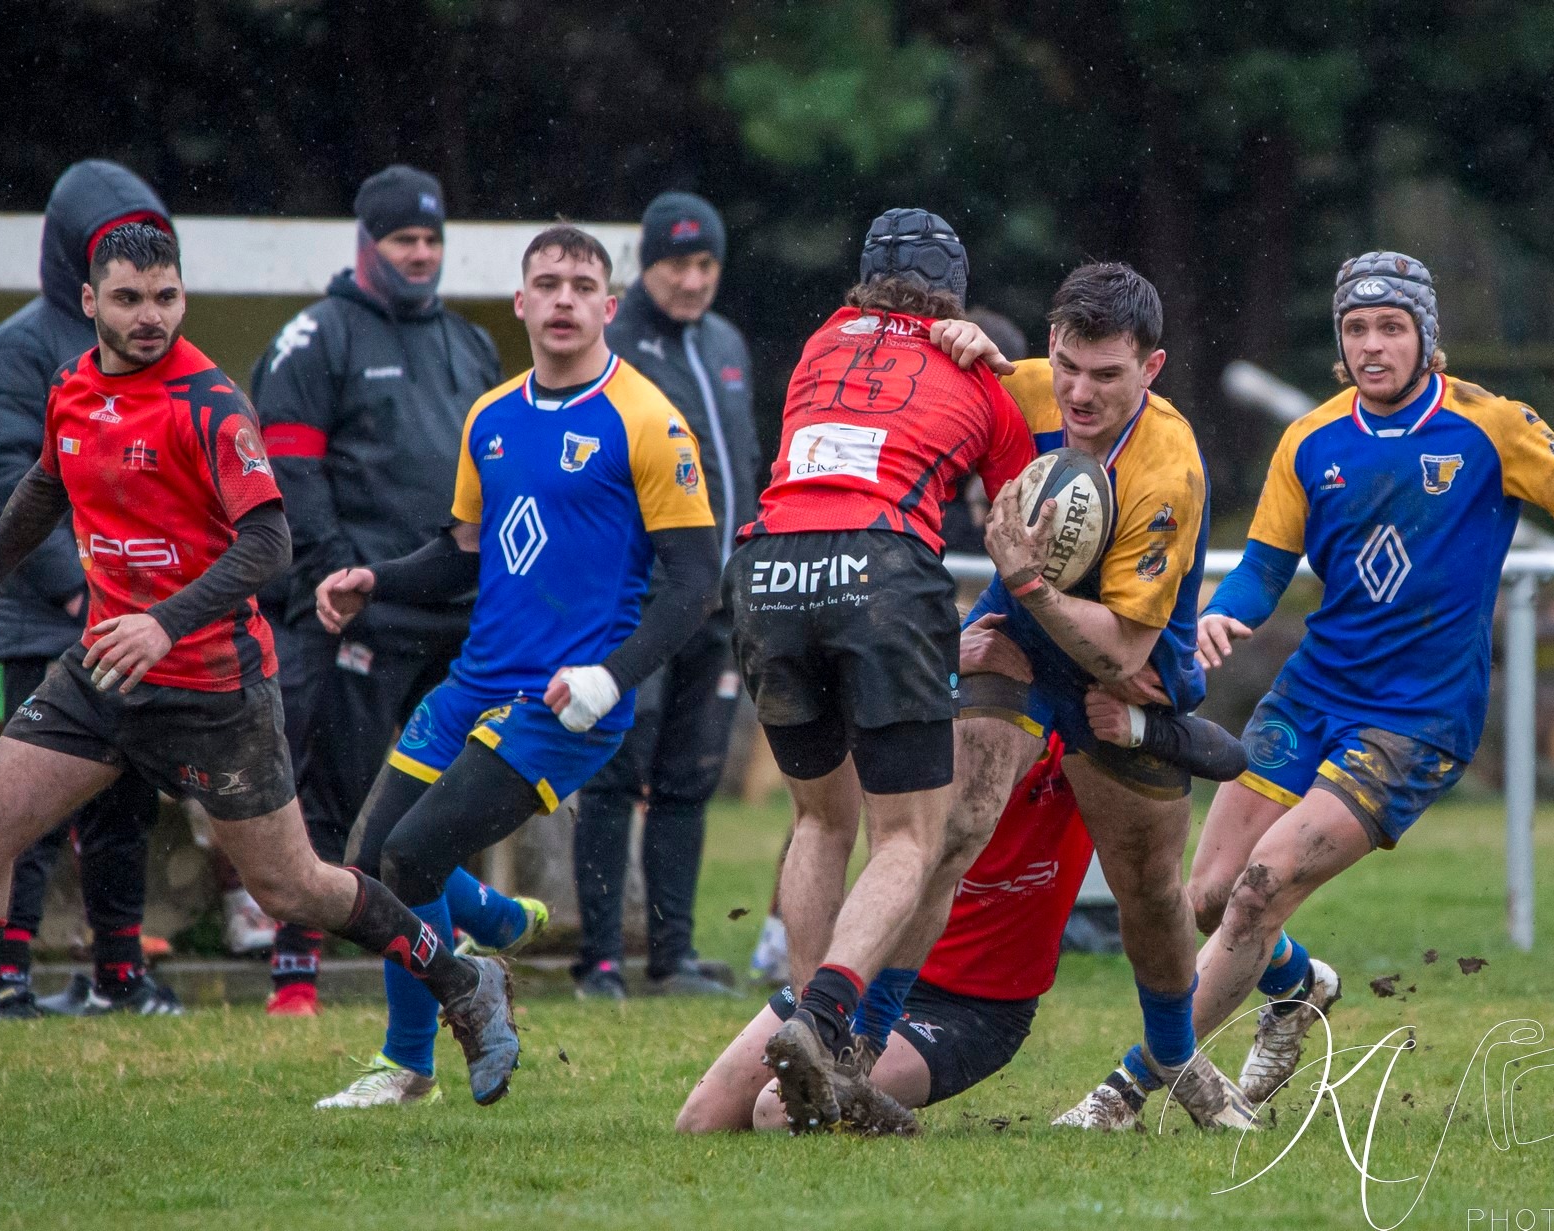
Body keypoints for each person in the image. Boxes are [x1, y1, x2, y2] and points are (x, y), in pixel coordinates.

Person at [0, 224, 517, 1131]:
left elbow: (271, 544)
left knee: (295, 888)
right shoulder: (74, 389)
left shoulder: (212, 402)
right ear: (90, 303)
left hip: (214, 688)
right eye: (130, 299)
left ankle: (463, 977)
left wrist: (162, 620)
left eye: (166, 297)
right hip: (103, 673)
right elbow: (43, 485)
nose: (150, 317)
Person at [1166, 251, 1554, 1108]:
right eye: (1357, 328)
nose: (1373, 345)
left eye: (1392, 327)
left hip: (1415, 716)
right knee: (1207, 897)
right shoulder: (1310, 439)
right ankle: (1296, 986)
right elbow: (1265, 568)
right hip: (1312, 694)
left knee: (1260, 887)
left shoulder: (1491, 425)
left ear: (1428, 338)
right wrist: (1222, 610)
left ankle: (1132, 1085)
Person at [309, 224, 721, 1109]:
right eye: (549, 283)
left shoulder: (648, 418)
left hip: (567, 702)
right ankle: (495, 929)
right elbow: (462, 552)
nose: (565, 298)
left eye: (583, 284)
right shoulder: (491, 417)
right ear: (522, 303)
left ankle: (416, 1049)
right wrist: (374, 580)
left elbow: (695, 580)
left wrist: (613, 675)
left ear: (609, 306)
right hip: (475, 680)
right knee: (371, 861)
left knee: (413, 856)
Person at [888, 263, 1254, 1134]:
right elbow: (929, 411)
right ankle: (861, 1040)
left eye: (1107, 374)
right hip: (1015, 637)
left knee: (1151, 889)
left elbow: (1125, 644)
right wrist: (964, 348)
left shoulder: (1170, 470)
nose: (1079, 394)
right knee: (952, 829)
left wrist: (1026, 584)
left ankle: (1174, 1051)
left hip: (1124, 667)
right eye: (1067, 366)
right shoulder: (1024, 386)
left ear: (1152, 367)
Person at [725, 208, 1037, 1136]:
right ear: (956, 292)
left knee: (821, 817)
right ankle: (828, 1022)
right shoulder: (976, 376)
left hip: (767, 565)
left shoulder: (821, 341)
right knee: (910, 835)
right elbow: (1023, 505)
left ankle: (812, 1045)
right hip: (880, 569)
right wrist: (999, 374)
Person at [252, 164, 519, 1018]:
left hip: (459, 611)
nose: (421, 254)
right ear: (365, 243)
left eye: (433, 241)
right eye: (404, 239)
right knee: (330, 788)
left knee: (455, 789)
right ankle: (294, 967)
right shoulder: (316, 338)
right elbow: (289, 473)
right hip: (354, 610)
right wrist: (337, 574)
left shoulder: (469, 342)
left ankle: (471, 924)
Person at [0, 159, 178, 1018]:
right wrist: (74, 593)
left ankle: (121, 974)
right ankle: (4, 978)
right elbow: (0, 480)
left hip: (134, 626)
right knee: (28, 809)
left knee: (124, 805)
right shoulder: (18, 349)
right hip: (47, 622)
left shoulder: (162, 358)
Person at [678, 735, 1090, 1133]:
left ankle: (881, 1117)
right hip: (859, 969)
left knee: (774, 1110)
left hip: (970, 1007)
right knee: (702, 1121)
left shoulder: (1071, 733)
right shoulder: (926, 717)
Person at [572, 191, 759, 1000]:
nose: (692, 279)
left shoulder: (724, 341)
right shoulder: (616, 343)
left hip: (719, 605)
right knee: (614, 775)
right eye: (676, 262)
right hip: (639, 601)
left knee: (689, 780)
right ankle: (599, 960)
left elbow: (742, 461)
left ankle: (673, 958)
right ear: (644, 265)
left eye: (706, 262)